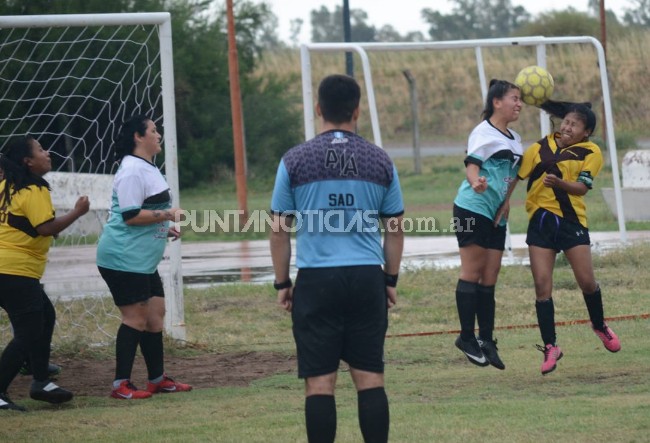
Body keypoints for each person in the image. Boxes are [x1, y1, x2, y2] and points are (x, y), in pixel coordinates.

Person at [270, 74, 404, 443]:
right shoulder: (380, 160)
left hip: (317, 281)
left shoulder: (294, 160)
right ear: (357, 111)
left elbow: (278, 230)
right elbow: (395, 229)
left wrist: (283, 283)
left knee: (319, 383)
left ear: (318, 109)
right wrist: (389, 281)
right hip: (365, 279)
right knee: (370, 378)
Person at [498, 100, 620, 375]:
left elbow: (582, 188)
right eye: (565, 121)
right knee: (542, 288)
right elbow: (516, 176)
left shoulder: (590, 152)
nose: (567, 126)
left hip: (571, 222)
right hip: (540, 224)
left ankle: (599, 325)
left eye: (574, 124)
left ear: (585, 132)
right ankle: (551, 346)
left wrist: (560, 183)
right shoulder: (540, 148)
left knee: (587, 282)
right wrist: (505, 202)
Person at [96, 115, 192, 399]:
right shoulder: (132, 171)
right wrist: (167, 215)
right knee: (135, 318)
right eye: (153, 130)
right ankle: (120, 386)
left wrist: (164, 226)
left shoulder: (147, 168)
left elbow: (147, 210)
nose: (158, 134)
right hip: (123, 258)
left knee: (155, 316)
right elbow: (130, 216)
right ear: (139, 137)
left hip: (142, 261)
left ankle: (157, 379)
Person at [0, 137, 90, 412]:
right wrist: (78, 212)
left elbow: (28, 223)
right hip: (15, 270)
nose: (47, 152)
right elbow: (46, 228)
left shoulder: (6, 186)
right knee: (28, 332)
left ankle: (41, 381)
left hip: (8, 269)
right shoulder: (33, 188)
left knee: (45, 316)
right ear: (28, 161)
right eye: (40, 150)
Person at [452, 79, 523, 370]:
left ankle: (487, 340)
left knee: (490, 276)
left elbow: (513, 175)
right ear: (497, 101)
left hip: (497, 213)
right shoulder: (483, 132)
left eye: (521, 100)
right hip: (472, 208)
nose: (519, 104)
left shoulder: (515, 137)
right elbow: (472, 165)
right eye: (514, 98)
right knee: (473, 271)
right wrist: (476, 182)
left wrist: (506, 201)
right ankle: (466, 338)